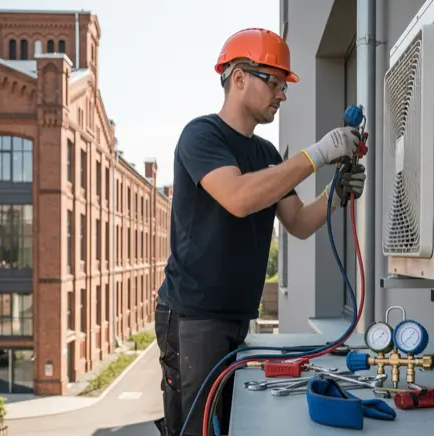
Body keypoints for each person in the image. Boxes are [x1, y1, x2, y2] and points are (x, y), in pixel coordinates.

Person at [153, 27, 367, 436]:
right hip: (193, 316)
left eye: (284, 86)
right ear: (238, 78)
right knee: (197, 428)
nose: (282, 95)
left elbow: (300, 222)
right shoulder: (202, 136)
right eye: (275, 83)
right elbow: (237, 196)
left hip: (236, 316)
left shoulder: (267, 154)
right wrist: (317, 153)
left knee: (230, 422)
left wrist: (334, 195)